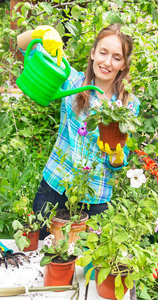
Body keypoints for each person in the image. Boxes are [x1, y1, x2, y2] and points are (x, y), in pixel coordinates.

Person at [17, 23, 140, 239]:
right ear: (93, 53)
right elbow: (23, 45)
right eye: (103, 52)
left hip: (95, 202)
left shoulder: (128, 104)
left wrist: (116, 156)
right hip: (54, 188)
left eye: (117, 57)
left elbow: (119, 164)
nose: (107, 62)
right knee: (42, 261)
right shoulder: (71, 81)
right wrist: (45, 32)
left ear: (123, 65)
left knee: (84, 269)